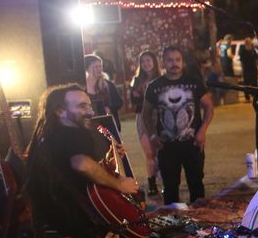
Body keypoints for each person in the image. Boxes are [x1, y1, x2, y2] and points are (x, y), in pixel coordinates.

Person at [24, 84, 139, 238]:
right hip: (75, 213)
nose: (91, 112)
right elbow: (82, 165)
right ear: (60, 111)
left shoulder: (46, 134)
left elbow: (72, 169)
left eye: (89, 106)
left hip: (49, 209)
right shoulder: (74, 134)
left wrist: (108, 158)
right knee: (130, 192)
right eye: (82, 106)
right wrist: (119, 184)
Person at [142, 46, 214, 205]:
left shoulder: (194, 83)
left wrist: (202, 131)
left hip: (193, 144)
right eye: (170, 60)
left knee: (196, 185)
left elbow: (209, 107)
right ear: (163, 62)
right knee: (170, 189)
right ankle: (173, 219)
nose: (174, 63)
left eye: (177, 60)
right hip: (166, 146)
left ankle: (199, 218)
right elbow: (145, 113)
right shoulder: (154, 86)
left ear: (182, 62)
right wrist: (152, 135)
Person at [129, 51, 161, 195]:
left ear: (154, 62)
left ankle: (165, 180)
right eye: (143, 61)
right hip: (142, 117)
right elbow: (134, 102)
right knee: (149, 153)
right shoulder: (137, 81)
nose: (146, 64)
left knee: (161, 152)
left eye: (148, 60)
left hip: (158, 117)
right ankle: (152, 185)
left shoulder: (161, 79)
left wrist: (142, 97)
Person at [84, 54, 124, 130]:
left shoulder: (108, 85)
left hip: (107, 124)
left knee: (109, 138)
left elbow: (119, 102)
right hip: (90, 125)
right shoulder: (82, 86)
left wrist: (109, 108)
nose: (99, 69)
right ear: (88, 68)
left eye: (100, 66)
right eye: (96, 67)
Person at [238, 37, 258, 101]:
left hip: (253, 69)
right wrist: (242, 69)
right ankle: (247, 97)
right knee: (246, 83)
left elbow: (256, 59)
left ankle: (254, 95)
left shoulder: (253, 50)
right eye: (250, 41)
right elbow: (242, 61)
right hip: (246, 69)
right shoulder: (243, 51)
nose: (251, 42)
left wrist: (256, 67)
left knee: (254, 83)